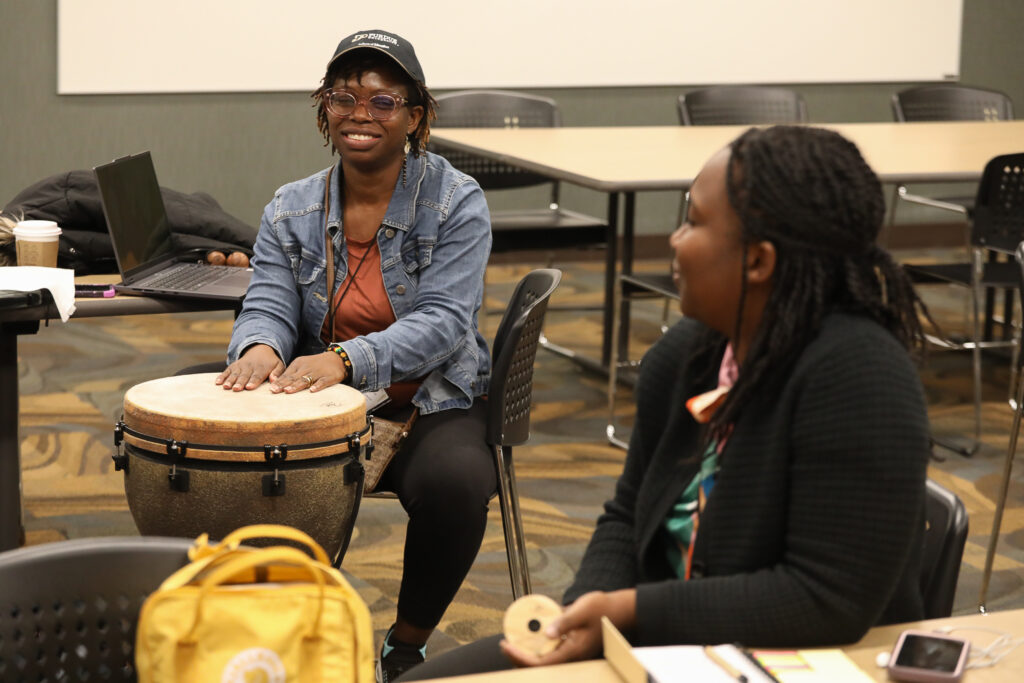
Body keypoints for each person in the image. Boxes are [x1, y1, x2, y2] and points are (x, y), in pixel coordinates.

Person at [403, 125, 933, 679]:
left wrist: (631, 613)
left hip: (799, 660)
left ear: (758, 262)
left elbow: (825, 601)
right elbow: (630, 515)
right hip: (666, 647)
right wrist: (588, 613)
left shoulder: (861, 377)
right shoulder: (688, 355)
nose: (675, 241)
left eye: (695, 222)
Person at [215, 30, 494, 682]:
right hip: (325, 400)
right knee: (201, 428)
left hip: (428, 399)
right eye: (343, 97)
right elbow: (269, 303)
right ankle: (271, 622)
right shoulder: (292, 205)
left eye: (382, 101)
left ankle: (405, 645)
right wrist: (259, 346)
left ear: (416, 115)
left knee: (457, 483)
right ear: (324, 109)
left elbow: (445, 324)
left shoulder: (456, 202)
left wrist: (344, 358)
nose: (359, 113)